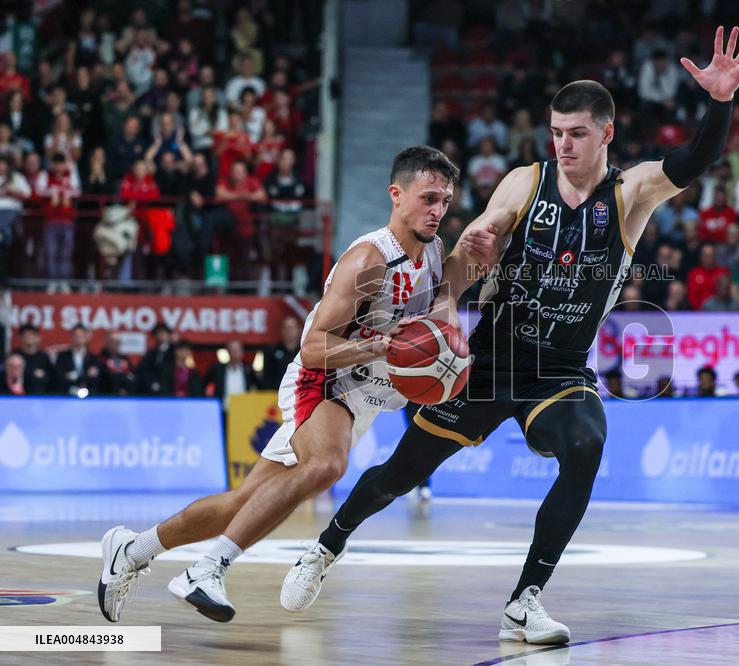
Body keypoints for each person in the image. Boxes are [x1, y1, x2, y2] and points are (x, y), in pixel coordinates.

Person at [281, 27, 739, 645]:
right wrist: (473, 258)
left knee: (587, 445)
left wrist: (719, 101)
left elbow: (694, 162)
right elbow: (473, 245)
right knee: (399, 474)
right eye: (556, 132)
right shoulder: (524, 182)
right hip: (491, 360)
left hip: (560, 370)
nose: (563, 144)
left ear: (605, 134)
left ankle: (524, 601)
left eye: (577, 133)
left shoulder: (631, 191)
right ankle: (324, 548)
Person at [96, 146, 497, 624]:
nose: (438, 210)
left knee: (240, 504)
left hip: (363, 396)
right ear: (396, 194)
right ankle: (207, 570)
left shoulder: (431, 251)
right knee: (328, 464)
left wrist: (478, 266)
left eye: (445, 201)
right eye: (428, 197)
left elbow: (446, 292)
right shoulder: (368, 261)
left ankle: (131, 550)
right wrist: (379, 348)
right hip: (324, 379)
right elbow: (312, 347)